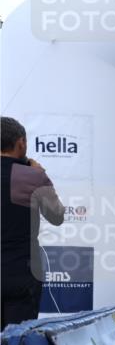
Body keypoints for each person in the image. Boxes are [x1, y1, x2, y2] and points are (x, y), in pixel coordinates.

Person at [1, 117, 66, 328]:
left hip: (22, 273)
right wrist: (40, 173)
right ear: (21, 142)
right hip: (23, 273)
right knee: (18, 344)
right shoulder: (31, 176)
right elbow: (57, 216)